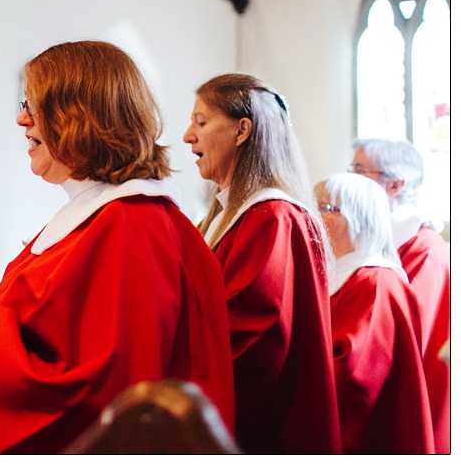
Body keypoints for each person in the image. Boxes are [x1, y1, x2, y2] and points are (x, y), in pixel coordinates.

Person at [0, 41, 236, 454]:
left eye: (34, 106)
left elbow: (102, 396)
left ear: (79, 116)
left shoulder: (133, 227)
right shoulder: (105, 218)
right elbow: (52, 351)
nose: (21, 119)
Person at [183, 73, 340, 453]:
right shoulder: (233, 214)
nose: (188, 135)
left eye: (201, 122)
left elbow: (253, 336)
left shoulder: (271, 217)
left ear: (241, 131)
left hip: (267, 431)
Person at [316, 173, 433, 453]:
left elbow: (355, 378)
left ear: (359, 218)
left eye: (324, 208)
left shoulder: (377, 283)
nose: (313, 217)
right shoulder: (342, 274)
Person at [350, 138, 449, 452]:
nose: (350, 179)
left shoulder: (425, 248)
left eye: (360, 170)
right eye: (351, 168)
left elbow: (409, 335)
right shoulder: (375, 236)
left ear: (395, 185)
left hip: (407, 394)